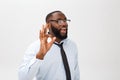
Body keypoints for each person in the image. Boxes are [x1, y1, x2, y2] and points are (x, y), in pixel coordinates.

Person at [18, 10, 80, 80]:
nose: (64, 24)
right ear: (48, 25)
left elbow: (76, 73)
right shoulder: (36, 47)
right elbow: (23, 78)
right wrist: (40, 56)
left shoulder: (72, 46)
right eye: (59, 21)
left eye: (65, 20)